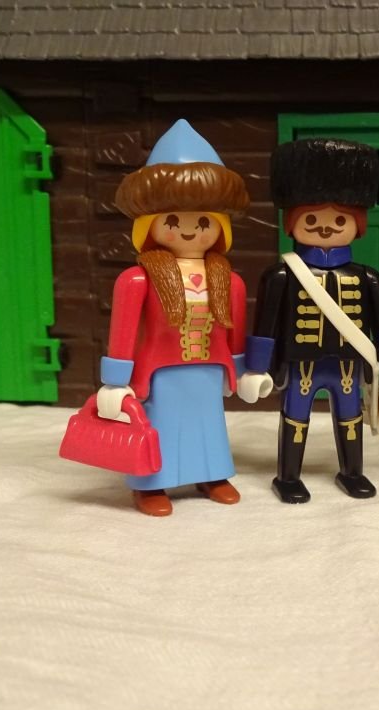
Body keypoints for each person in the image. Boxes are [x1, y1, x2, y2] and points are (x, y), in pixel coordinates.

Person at [238, 139, 379, 504]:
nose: (326, 228)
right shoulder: (282, 275)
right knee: (295, 416)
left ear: (357, 225)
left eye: (340, 219)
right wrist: (256, 368)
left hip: (347, 364)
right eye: (312, 219)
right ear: (292, 223)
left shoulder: (367, 277)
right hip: (301, 365)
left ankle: (352, 472)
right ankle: (288, 477)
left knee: (350, 417)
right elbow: (265, 326)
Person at [97, 120, 249, 516]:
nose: (189, 231)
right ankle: (150, 483)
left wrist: (241, 370)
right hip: (159, 370)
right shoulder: (138, 279)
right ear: (149, 226)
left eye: (202, 222)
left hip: (209, 367)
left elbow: (235, 331)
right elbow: (123, 332)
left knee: (208, 423)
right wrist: (114, 381)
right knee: (159, 423)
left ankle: (212, 474)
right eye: (173, 222)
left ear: (220, 227)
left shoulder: (227, 280)